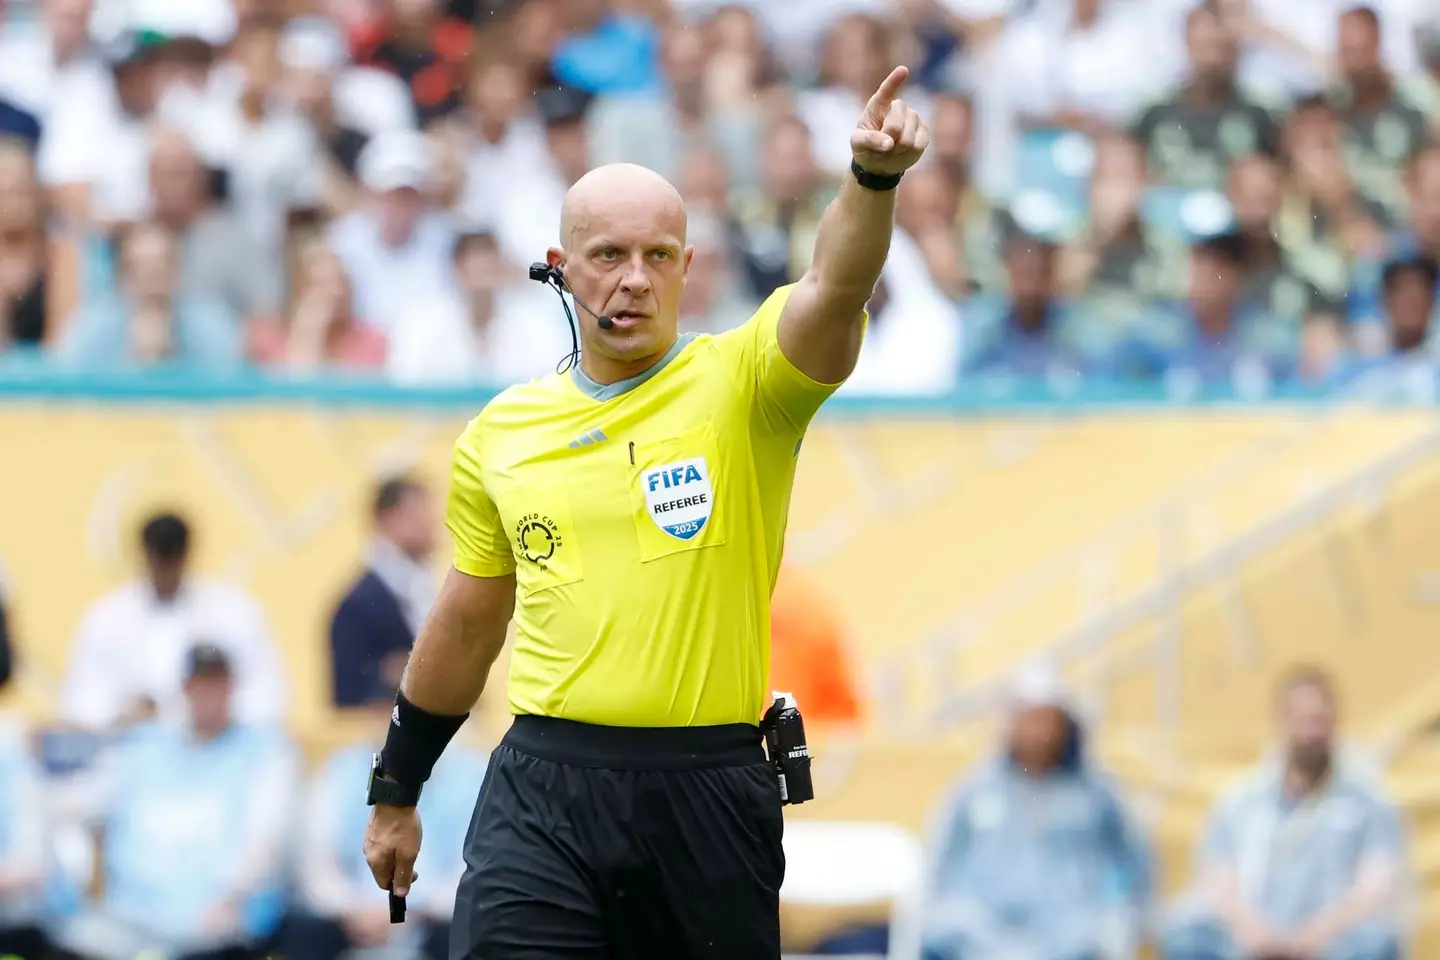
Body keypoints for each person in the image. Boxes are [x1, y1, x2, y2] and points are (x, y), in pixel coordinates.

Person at [363, 66, 930, 957]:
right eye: (608, 256)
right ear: (560, 268)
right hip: (544, 786)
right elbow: (468, 624)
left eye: (657, 256)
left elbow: (834, 286)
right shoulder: (502, 432)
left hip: (708, 792)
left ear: (687, 268)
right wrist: (397, 788)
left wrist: (872, 179)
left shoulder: (748, 385)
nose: (634, 280)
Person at [1161, 666, 1406, 960]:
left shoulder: (1366, 802)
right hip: (1250, 944)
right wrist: (1255, 934)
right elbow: (1218, 878)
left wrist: (1315, 936)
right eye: (1304, 721)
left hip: (1331, 946)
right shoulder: (1241, 800)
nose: (1313, 733)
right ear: (1282, 722)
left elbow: (1374, 885)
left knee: (1376, 941)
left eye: (1320, 721)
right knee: (1184, 929)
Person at [922, 666, 1152, 960]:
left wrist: (1112, 917)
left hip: (1074, 939)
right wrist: (954, 920)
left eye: (1046, 719)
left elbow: (1125, 870)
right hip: (983, 939)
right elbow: (943, 872)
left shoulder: (1097, 796)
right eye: (1028, 718)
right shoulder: (974, 793)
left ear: (1064, 725)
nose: (1038, 731)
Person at [60, 511, 288, 732]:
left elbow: (269, 698)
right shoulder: (106, 619)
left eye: (173, 559)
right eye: (160, 560)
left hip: (217, 755)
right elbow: (80, 702)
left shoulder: (234, 613)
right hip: (126, 755)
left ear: (187, 555)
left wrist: (204, 710)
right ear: (144, 556)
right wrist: (124, 712)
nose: (166, 570)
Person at [331, 476, 439, 708]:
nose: (430, 523)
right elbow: (347, 697)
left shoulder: (423, 587)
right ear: (387, 519)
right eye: (415, 515)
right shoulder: (358, 604)